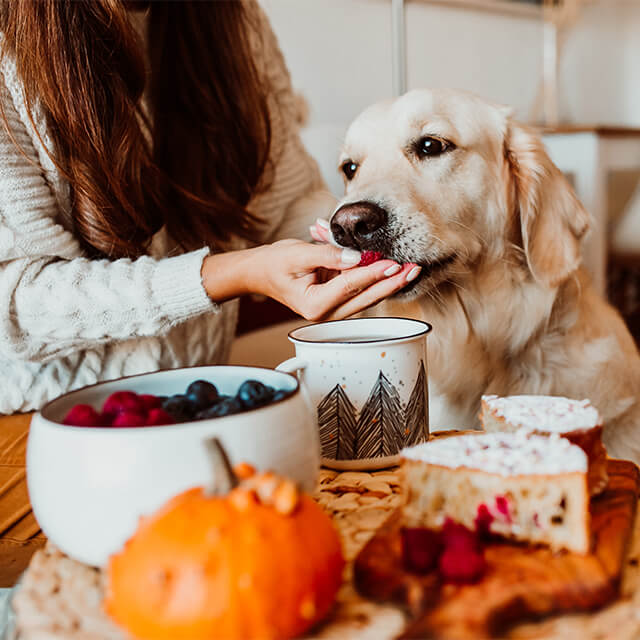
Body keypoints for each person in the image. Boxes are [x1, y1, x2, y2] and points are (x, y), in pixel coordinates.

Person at [0, 0, 420, 583]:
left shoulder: (232, 18)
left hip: (203, 415)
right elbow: (13, 304)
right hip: (35, 433)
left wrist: (358, 236)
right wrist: (227, 276)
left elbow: (288, 198)